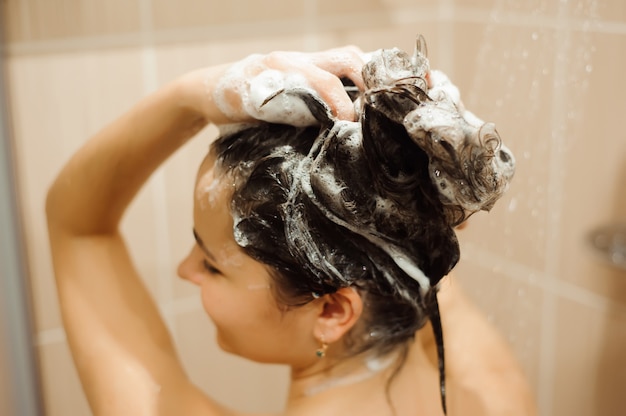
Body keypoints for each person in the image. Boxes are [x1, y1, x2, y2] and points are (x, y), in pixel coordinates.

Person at [46, 46, 537, 416]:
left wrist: (193, 96)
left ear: (332, 310)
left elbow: (78, 226)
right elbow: (411, 249)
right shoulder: (494, 392)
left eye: (213, 265)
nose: (185, 270)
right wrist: (416, 172)